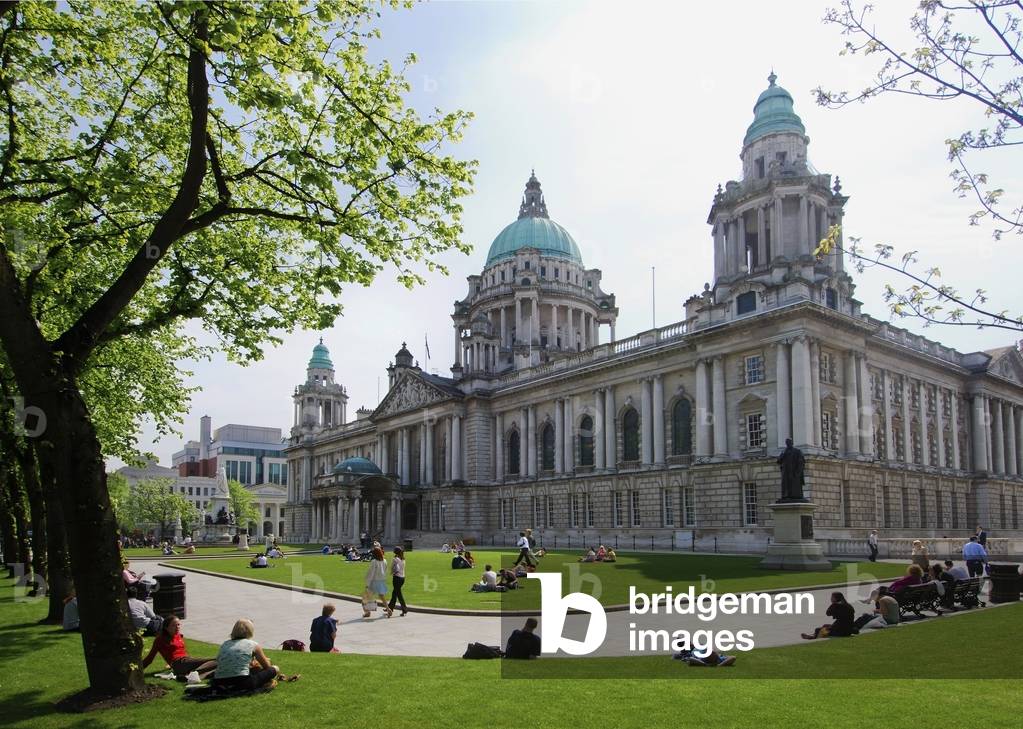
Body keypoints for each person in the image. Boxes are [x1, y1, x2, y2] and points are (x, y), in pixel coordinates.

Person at [212, 619, 290, 692]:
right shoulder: (253, 645)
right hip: (242, 682)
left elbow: (220, 662)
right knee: (275, 669)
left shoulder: (225, 644)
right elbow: (267, 667)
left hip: (218, 681)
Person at [142, 614, 218, 679]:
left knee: (216, 663)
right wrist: (137, 671)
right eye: (173, 625)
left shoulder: (178, 635)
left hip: (186, 661)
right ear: (166, 627)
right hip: (179, 663)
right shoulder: (160, 639)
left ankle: (194, 675)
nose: (177, 627)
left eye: (178, 625)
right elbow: (150, 658)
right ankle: (191, 675)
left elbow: (182, 652)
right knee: (215, 660)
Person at [363, 547, 392, 618]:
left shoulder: (374, 561)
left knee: (366, 597)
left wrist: (368, 583)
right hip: (381, 580)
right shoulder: (384, 561)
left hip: (374, 581)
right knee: (381, 596)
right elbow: (385, 571)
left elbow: (371, 573)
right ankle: (388, 609)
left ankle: (367, 612)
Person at [388, 547, 408, 617]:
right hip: (402, 578)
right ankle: (390, 608)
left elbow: (395, 568)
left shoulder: (395, 559)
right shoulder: (403, 559)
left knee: (398, 594)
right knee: (394, 593)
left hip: (397, 578)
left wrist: (392, 572)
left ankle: (404, 609)